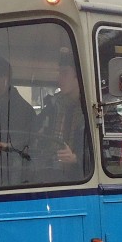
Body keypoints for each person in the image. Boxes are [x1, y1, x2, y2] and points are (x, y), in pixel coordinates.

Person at [0, 56, 36, 180]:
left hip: (13, 177)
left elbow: (25, 144)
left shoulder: (22, 111)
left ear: (4, 80)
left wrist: (3, 147)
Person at [38, 49, 89, 177]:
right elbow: (31, 132)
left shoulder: (93, 110)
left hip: (82, 179)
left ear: (79, 77)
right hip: (51, 174)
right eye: (59, 73)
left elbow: (106, 154)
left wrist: (77, 158)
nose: (59, 79)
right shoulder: (52, 107)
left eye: (64, 73)